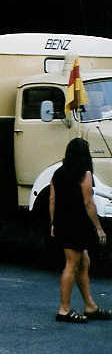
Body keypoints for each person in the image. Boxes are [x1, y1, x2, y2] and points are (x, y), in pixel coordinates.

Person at [50, 137, 111, 323]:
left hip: (62, 222)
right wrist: (99, 228)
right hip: (76, 224)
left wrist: (53, 223)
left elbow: (52, 199)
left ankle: (90, 306)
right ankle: (64, 310)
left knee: (84, 262)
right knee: (72, 264)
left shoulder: (58, 173)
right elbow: (88, 203)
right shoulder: (84, 174)